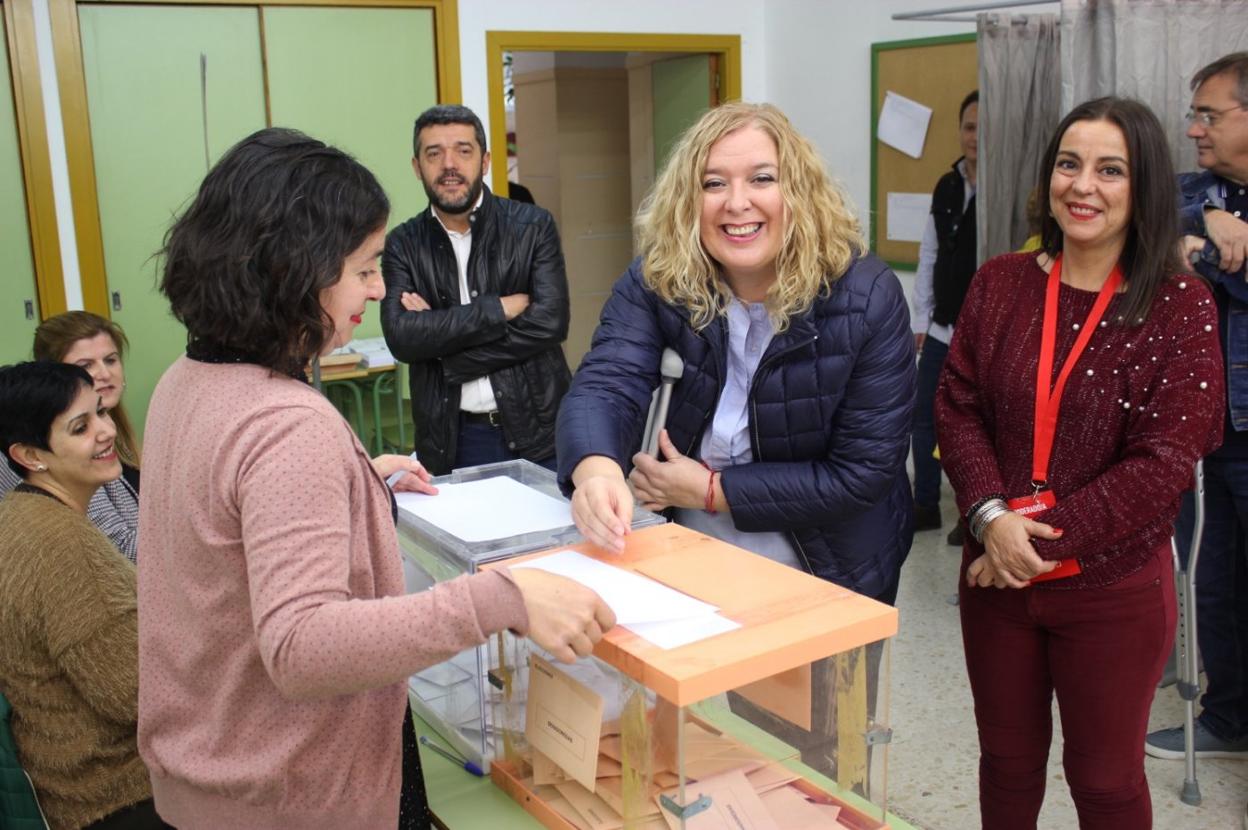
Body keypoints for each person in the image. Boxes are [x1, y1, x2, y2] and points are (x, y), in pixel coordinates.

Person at [138, 127, 614, 829]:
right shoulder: (287, 425)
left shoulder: (187, 380)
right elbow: (302, 646)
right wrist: (499, 597)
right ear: (293, 270)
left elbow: (231, 527)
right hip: (287, 794)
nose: (380, 288)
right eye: (363, 268)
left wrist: (359, 482)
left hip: (208, 776)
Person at [935, 97, 1224, 829]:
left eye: (1109, 169)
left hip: (1111, 587)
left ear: (1144, 187)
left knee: (1103, 778)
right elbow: (958, 405)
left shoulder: (1180, 305)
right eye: (1069, 164)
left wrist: (1027, 541)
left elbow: (1164, 461)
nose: (1082, 186)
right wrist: (992, 519)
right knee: (1005, 763)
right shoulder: (1000, 282)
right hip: (995, 577)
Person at [557, 101, 915, 605]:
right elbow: (605, 382)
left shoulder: (865, 295)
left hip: (830, 563)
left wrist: (709, 490)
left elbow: (861, 474)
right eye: (713, 183)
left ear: (798, 191)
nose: (737, 203)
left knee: (812, 687)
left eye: (762, 179)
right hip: (692, 548)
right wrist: (595, 470)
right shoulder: (659, 280)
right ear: (688, 199)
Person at [0, 361, 167, 829]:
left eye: (100, 413)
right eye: (81, 427)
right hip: (112, 797)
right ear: (31, 455)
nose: (106, 431)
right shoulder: (59, 544)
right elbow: (135, 694)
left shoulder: (23, 512)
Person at [1146, 52, 1248, 767]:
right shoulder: (1196, 191)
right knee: (1207, 581)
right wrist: (1205, 216)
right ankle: (1227, 715)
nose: (1194, 130)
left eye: (1209, 115)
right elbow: (1143, 214)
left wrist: (1201, 257)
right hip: (1207, 431)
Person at [381, 104, 571, 475]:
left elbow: (550, 322)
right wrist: (498, 310)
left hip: (541, 431)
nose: (449, 164)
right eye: (434, 154)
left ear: (484, 161)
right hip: (455, 439)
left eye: (463, 151)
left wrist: (447, 354)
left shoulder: (531, 227)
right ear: (417, 166)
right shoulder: (403, 243)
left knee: (558, 535)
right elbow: (403, 337)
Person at [0, 312, 139, 561]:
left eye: (110, 360)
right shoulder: (66, 460)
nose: (104, 374)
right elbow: (116, 549)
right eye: (85, 365)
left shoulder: (110, 425)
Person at [912, 90, 978, 545]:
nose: (976, 137)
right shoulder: (948, 184)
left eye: (985, 128)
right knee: (923, 415)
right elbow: (929, 252)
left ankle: (972, 512)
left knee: (973, 423)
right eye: (970, 126)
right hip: (940, 327)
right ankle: (924, 503)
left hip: (982, 334)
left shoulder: (1008, 188)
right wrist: (921, 317)